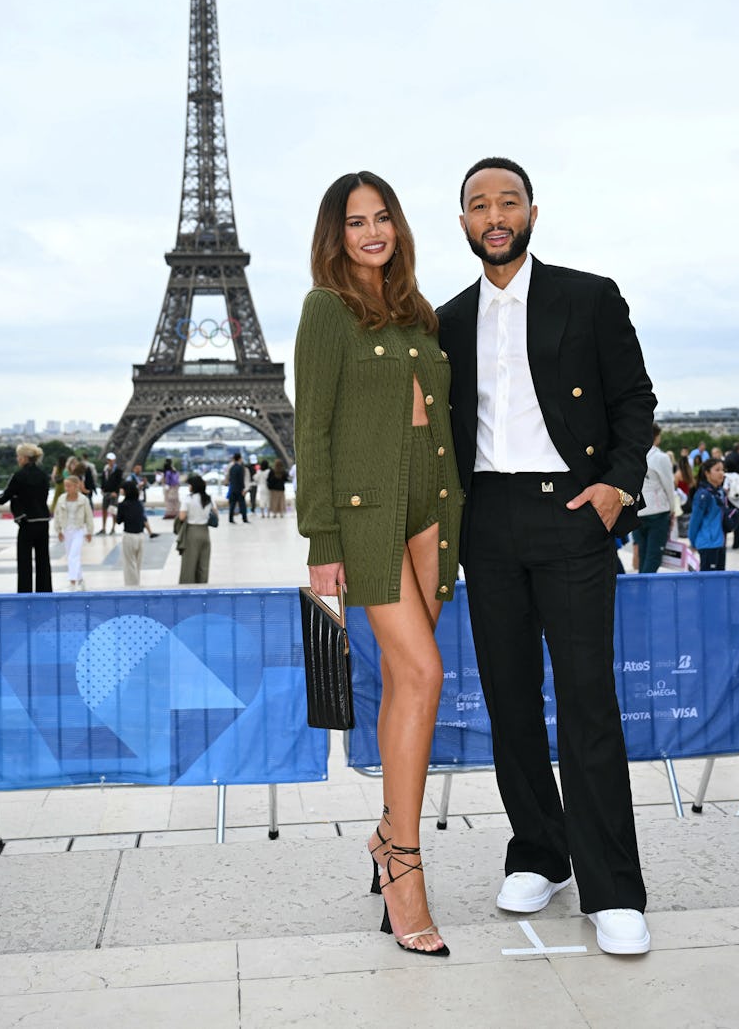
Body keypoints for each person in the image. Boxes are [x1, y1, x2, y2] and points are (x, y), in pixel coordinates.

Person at [437, 155, 654, 956]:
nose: (494, 215)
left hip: (571, 513)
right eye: (477, 205)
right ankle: (540, 851)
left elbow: (636, 400)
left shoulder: (589, 297)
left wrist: (615, 488)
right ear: (461, 222)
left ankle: (613, 888)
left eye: (508, 201)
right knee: (510, 701)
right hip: (487, 522)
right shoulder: (445, 321)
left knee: (589, 701)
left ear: (531, 212)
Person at [295, 170, 463, 958]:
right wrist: (321, 541)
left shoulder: (417, 313)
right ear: (336, 235)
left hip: (430, 511)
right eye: (355, 221)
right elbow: (313, 429)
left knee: (409, 682)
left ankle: (389, 839)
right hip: (366, 523)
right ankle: (404, 862)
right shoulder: (327, 310)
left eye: (382, 217)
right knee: (425, 674)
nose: (371, 231)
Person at [0, 443, 52, 591]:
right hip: (43, 521)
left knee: (24, 562)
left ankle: (25, 593)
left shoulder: (18, 476)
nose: (17, 459)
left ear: (24, 458)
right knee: (43, 560)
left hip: (27, 522)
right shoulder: (43, 475)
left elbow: (2, 499)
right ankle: (45, 592)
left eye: (18, 456)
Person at [632, 424, 675, 573]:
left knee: (642, 553)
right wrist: (673, 508)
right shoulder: (660, 457)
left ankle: (641, 586)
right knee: (654, 555)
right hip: (657, 511)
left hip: (636, 510)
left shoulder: (632, 454)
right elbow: (668, 484)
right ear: (656, 437)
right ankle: (645, 588)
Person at [53, 475, 94, 588]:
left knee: (73, 556)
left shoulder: (83, 500)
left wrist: (89, 531)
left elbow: (89, 516)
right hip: (66, 531)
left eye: (69, 486)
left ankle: (72, 582)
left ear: (76, 486)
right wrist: (58, 531)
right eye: (65, 486)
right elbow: (57, 515)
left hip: (78, 530)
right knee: (71, 555)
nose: (67, 488)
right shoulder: (61, 499)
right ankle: (80, 579)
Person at [688, 457, 729, 571]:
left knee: (719, 580)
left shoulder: (720, 492)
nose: (721, 473)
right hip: (707, 544)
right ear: (707, 473)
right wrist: (692, 541)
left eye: (722, 469)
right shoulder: (703, 495)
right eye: (717, 470)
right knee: (708, 581)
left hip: (720, 543)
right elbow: (695, 520)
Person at [116, 479, 157, 586]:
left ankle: (131, 587)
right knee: (138, 564)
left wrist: (115, 512)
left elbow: (119, 521)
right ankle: (137, 584)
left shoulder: (122, 505)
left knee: (129, 564)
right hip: (140, 535)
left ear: (125, 490)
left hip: (129, 536)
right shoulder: (139, 504)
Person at [177, 473, 213, 583]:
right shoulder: (208, 499)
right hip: (205, 532)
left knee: (189, 563)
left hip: (192, 532)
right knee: (203, 565)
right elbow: (214, 513)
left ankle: (188, 590)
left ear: (193, 486)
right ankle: (202, 588)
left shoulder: (188, 499)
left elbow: (182, 517)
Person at [98, 453, 123, 534]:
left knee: (113, 510)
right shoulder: (106, 469)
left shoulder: (118, 470)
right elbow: (103, 480)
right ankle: (104, 528)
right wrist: (102, 488)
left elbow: (119, 482)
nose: (110, 462)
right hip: (106, 492)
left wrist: (116, 492)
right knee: (104, 510)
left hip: (113, 493)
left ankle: (113, 528)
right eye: (109, 460)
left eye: (111, 460)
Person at [227, 452, 249, 524]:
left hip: (233, 488)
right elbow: (241, 479)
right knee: (242, 504)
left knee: (232, 504)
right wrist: (243, 489)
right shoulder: (240, 468)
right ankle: (244, 518)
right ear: (240, 458)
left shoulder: (232, 467)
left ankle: (230, 518)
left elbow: (230, 478)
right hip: (239, 489)